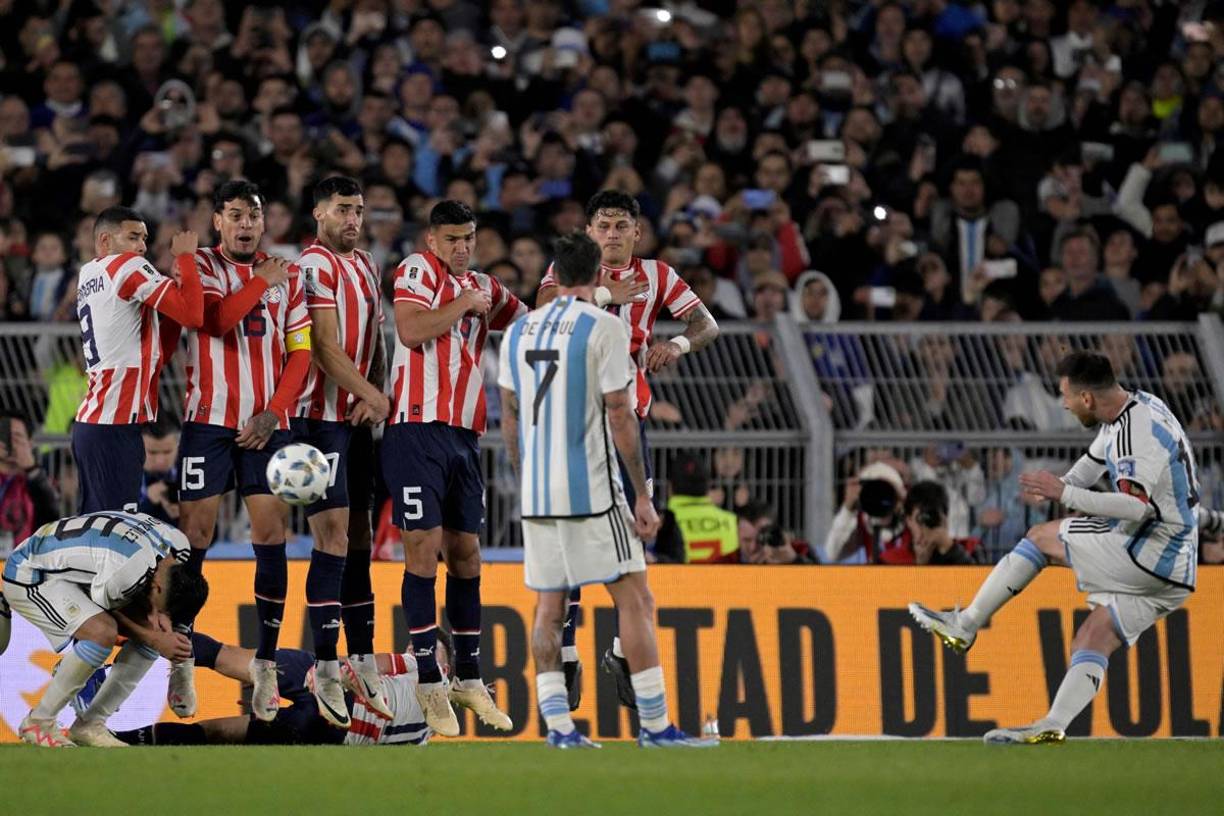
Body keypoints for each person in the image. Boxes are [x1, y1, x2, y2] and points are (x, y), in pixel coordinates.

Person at [910, 351, 1200, 744]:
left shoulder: (1136, 433)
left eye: (1066, 395)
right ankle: (1053, 723)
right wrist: (1058, 486)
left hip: (1151, 550)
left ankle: (966, 625)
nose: (1062, 403)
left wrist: (1064, 493)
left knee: (1040, 539)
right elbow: (1094, 460)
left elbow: (1136, 505)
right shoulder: (1137, 407)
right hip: (1175, 573)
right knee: (1094, 635)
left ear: (1087, 399)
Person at [498, 231, 717, 749]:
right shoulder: (604, 327)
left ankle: (557, 726)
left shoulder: (520, 331)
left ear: (556, 273)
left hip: (538, 493)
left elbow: (508, 416)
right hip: (592, 487)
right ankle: (656, 724)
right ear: (599, 275)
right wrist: (641, 492)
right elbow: (620, 412)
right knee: (636, 599)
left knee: (550, 607)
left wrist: (524, 476)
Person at [383, 199, 525, 736]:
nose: (463, 247)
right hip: (415, 430)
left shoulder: (485, 286)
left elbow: (525, 320)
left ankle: (468, 677)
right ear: (432, 240)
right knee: (423, 550)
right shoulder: (418, 271)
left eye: (469, 238)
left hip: (465, 437)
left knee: (466, 556)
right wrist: (464, 302)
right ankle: (427, 679)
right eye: (452, 239)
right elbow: (412, 332)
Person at [174, 180, 312, 723]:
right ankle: (181, 655)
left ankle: (268, 664)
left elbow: (300, 354)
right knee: (195, 538)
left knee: (271, 534)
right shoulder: (201, 267)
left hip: (266, 426)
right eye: (235, 215)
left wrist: (274, 412)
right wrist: (259, 282)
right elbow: (212, 321)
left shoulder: (289, 275)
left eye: (254, 214)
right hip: (207, 421)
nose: (246, 224)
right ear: (218, 221)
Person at [290, 175, 392, 725]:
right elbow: (324, 347)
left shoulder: (366, 264)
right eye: (342, 210)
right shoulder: (314, 265)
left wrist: (373, 395)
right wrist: (372, 394)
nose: (353, 219)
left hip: (353, 420)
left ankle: (361, 656)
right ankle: (324, 664)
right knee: (330, 536)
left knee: (359, 534)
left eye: (358, 209)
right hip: (317, 421)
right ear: (319, 214)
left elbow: (374, 338)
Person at [1, 511, 209, 747]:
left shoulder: (178, 546)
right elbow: (104, 610)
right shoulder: (128, 571)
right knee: (101, 633)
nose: (159, 616)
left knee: (152, 634)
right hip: (30, 573)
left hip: (71, 565)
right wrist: (153, 638)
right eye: (162, 609)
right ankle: (38, 722)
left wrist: (163, 631)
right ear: (159, 588)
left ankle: (90, 725)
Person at [71, 207, 203, 514]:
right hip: (113, 424)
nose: (142, 246)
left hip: (97, 423)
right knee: (116, 530)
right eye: (133, 237)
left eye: (144, 238)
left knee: (99, 526)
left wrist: (172, 296)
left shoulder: (89, 273)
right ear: (104, 241)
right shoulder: (128, 266)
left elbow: (159, 352)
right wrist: (185, 258)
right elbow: (194, 315)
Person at [111, 629, 433, 747]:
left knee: (219, 729)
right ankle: (135, 634)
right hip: (333, 708)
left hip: (331, 722)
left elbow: (370, 664)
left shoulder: (423, 732)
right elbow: (372, 664)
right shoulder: (424, 731)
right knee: (227, 668)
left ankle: (114, 739)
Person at [653, 451, 739, 564]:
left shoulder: (660, 524)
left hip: (677, 581)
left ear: (670, 487)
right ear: (708, 485)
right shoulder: (732, 521)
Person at [0, 411, 60, 558]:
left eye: (17, 437)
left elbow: (52, 515)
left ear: (30, 443)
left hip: (27, 565)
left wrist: (32, 469)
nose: (10, 444)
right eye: (3, 436)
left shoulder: (38, 480)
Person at [139, 414, 181, 525]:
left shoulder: (192, 475)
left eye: (167, 452)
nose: (160, 461)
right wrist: (148, 503)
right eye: (152, 452)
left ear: (178, 447)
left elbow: (212, 533)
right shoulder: (119, 475)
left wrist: (186, 515)